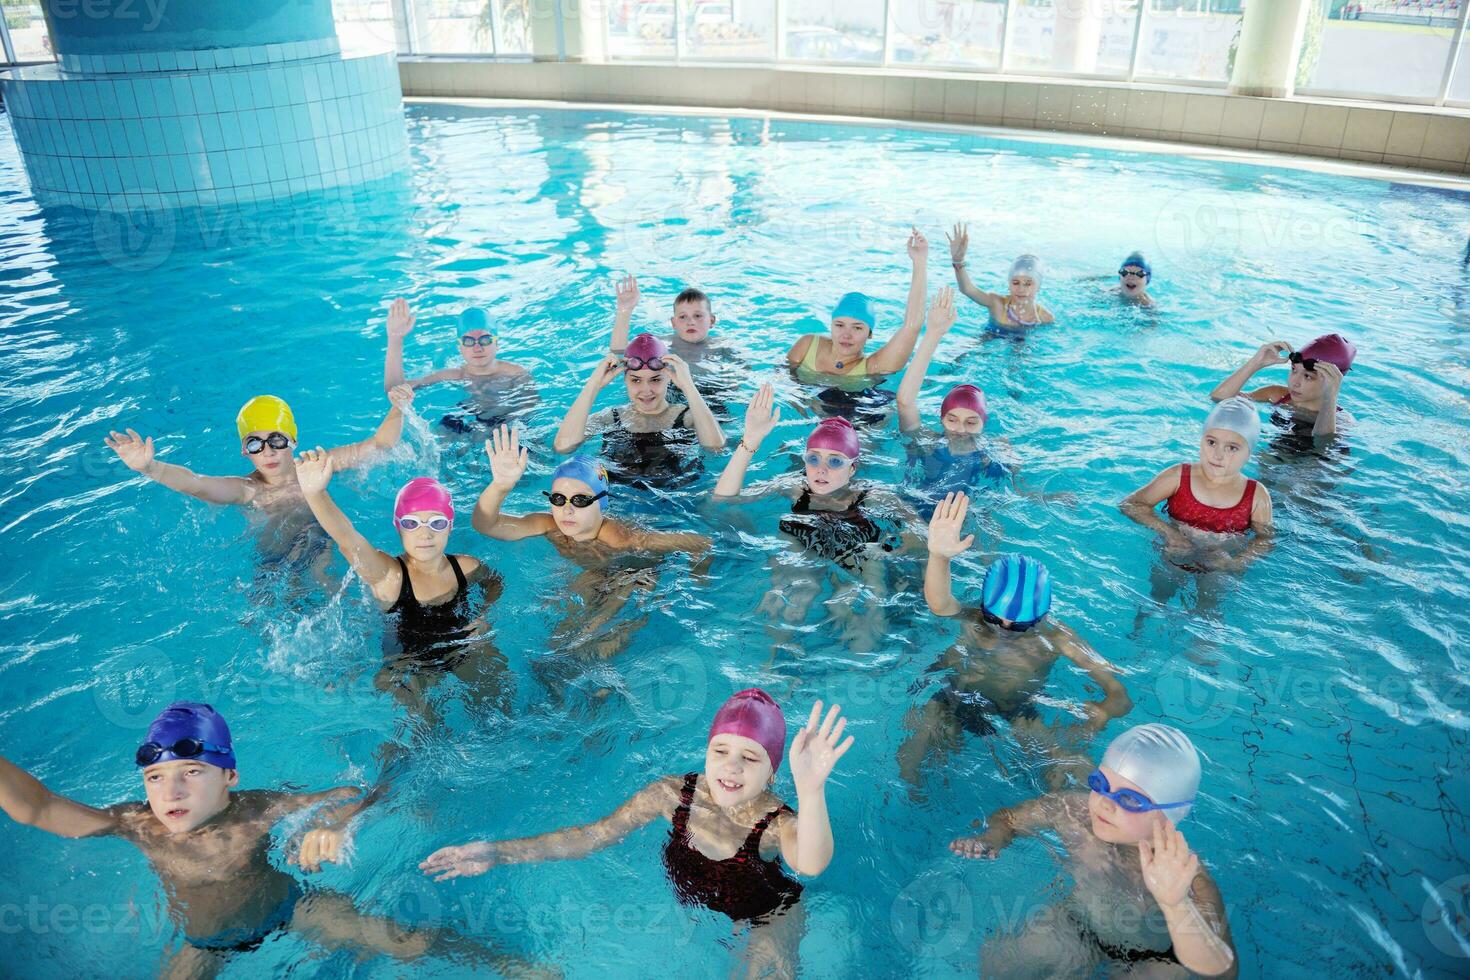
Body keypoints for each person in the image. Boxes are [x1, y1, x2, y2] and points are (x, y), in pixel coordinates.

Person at [0, 702, 540, 977]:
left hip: (290, 909)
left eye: (192, 772)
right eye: (156, 779)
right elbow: (40, 808)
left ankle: (501, 964)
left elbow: (364, 790)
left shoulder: (257, 810)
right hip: (202, 944)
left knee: (407, 941)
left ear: (229, 778)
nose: (171, 792)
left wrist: (336, 823)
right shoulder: (138, 824)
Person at [421, 690, 852, 978]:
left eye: (750, 757)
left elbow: (810, 863)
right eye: (720, 750)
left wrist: (812, 791)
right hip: (699, 906)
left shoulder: (775, 822)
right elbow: (591, 836)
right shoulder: (670, 795)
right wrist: (498, 852)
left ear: (773, 771)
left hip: (766, 914)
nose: (731, 767)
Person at [950, 724, 1238, 977]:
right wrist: (992, 838)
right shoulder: (1073, 811)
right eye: (1100, 784)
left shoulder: (1188, 878)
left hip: (1151, 960)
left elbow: (1224, 971)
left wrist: (1177, 905)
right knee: (999, 965)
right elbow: (1009, 819)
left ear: (1169, 815)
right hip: (1080, 923)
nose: (1104, 802)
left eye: (1129, 799)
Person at [898, 493, 1131, 789]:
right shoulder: (974, 617)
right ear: (984, 605)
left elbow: (1119, 695)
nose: (1003, 629)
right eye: (993, 619)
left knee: (1063, 772)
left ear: (1042, 617)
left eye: (1020, 626)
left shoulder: (1059, 638)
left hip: (1017, 710)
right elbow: (940, 604)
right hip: (956, 693)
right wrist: (939, 557)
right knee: (914, 752)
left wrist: (1099, 717)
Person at [295, 452, 509, 713]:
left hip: (461, 649)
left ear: (450, 526)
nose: (425, 533)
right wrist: (315, 494)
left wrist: (485, 615)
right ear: (398, 526)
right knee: (424, 732)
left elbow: (494, 581)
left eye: (437, 522)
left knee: (501, 700)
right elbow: (347, 538)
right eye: (412, 523)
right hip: (407, 667)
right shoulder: (390, 576)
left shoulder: (465, 567)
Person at [473, 426, 710, 661]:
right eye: (558, 499)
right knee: (558, 640)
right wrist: (500, 486)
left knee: (595, 633)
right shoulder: (550, 526)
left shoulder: (621, 537)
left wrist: (698, 580)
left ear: (602, 504)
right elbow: (486, 526)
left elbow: (701, 542)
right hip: (598, 571)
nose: (567, 509)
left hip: (639, 571)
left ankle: (606, 680)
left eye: (580, 500)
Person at [105, 390, 414, 512]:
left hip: (320, 546)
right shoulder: (248, 490)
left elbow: (380, 445)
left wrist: (398, 407)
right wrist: (150, 468)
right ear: (245, 452)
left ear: (293, 441)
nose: (268, 451)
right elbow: (196, 484)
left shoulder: (318, 465)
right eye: (255, 443)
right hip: (273, 562)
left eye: (277, 440)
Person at [783, 229, 929, 423]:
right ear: (831, 325)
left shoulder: (873, 366)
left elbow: (912, 327)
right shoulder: (808, 344)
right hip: (814, 409)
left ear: (870, 334)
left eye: (857, 328)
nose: (846, 334)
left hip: (861, 413)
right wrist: (798, 399)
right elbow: (783, 374)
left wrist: (919, 263)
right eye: (840, 325)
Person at [1121, 397, 1274, 574]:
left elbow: (1265, 539)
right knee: (1160, 594)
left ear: (1249, 453)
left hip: (1219, 565)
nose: (1218, 455)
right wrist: (1169, 533)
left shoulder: (1256, 495)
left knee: (1209, 599)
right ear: (1201, 441)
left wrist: (1237, 562)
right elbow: (1131, 504)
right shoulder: (1178, 476)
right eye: (1211, 442)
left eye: (1232, 448)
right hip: (1175, 552)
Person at [895, 287, 1013, 514]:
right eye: (952, 419)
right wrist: (933, 334)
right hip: (912, 517)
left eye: (971, 422)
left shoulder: (994, 455)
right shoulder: (926, 444)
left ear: (983, 424)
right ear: (941, 419)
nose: (960, 429)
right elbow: (905, 402)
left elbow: (1014, 495)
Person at [554, 333, 726, 489]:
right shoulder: (611, 417)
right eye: (636, 380)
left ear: (669, 377)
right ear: (625, 379)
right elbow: (564, 446)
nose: (646, 390)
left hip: (677, 501)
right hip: (617, 501)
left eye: (655, 379)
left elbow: (715, 447)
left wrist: (688, 386)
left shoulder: (687, 416)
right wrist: (594, 385)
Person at [382, 299, 536, 433]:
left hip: (506, 421)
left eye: (485, 339)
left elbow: (529, 413)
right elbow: (395, 389)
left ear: (497, 343)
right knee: (445, 428)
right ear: (460, 347)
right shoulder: (451, 375)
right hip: (467, 419)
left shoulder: (516, 373)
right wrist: (395, 339)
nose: (477, 347)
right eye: (468, 341)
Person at [1209, 333, 1355, 439]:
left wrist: (1331, 396)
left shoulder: (1341, 420)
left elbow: (1323, 443)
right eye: (1293, 370)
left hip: (1312, 469)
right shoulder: (1277, 395)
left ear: (1331, 381)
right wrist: (1255, 363)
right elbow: (1219, 399)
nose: (1294, 382)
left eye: (1307, 376)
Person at [947, 223, 1055, 335]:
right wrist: (958, 261)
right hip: (991, 338)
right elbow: (967, 289)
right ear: (1009, 284)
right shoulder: (996, 304)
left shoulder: (1046, 318)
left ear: (1038, 286)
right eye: (1015, 282)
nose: (1021, 289)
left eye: (1028, 284)